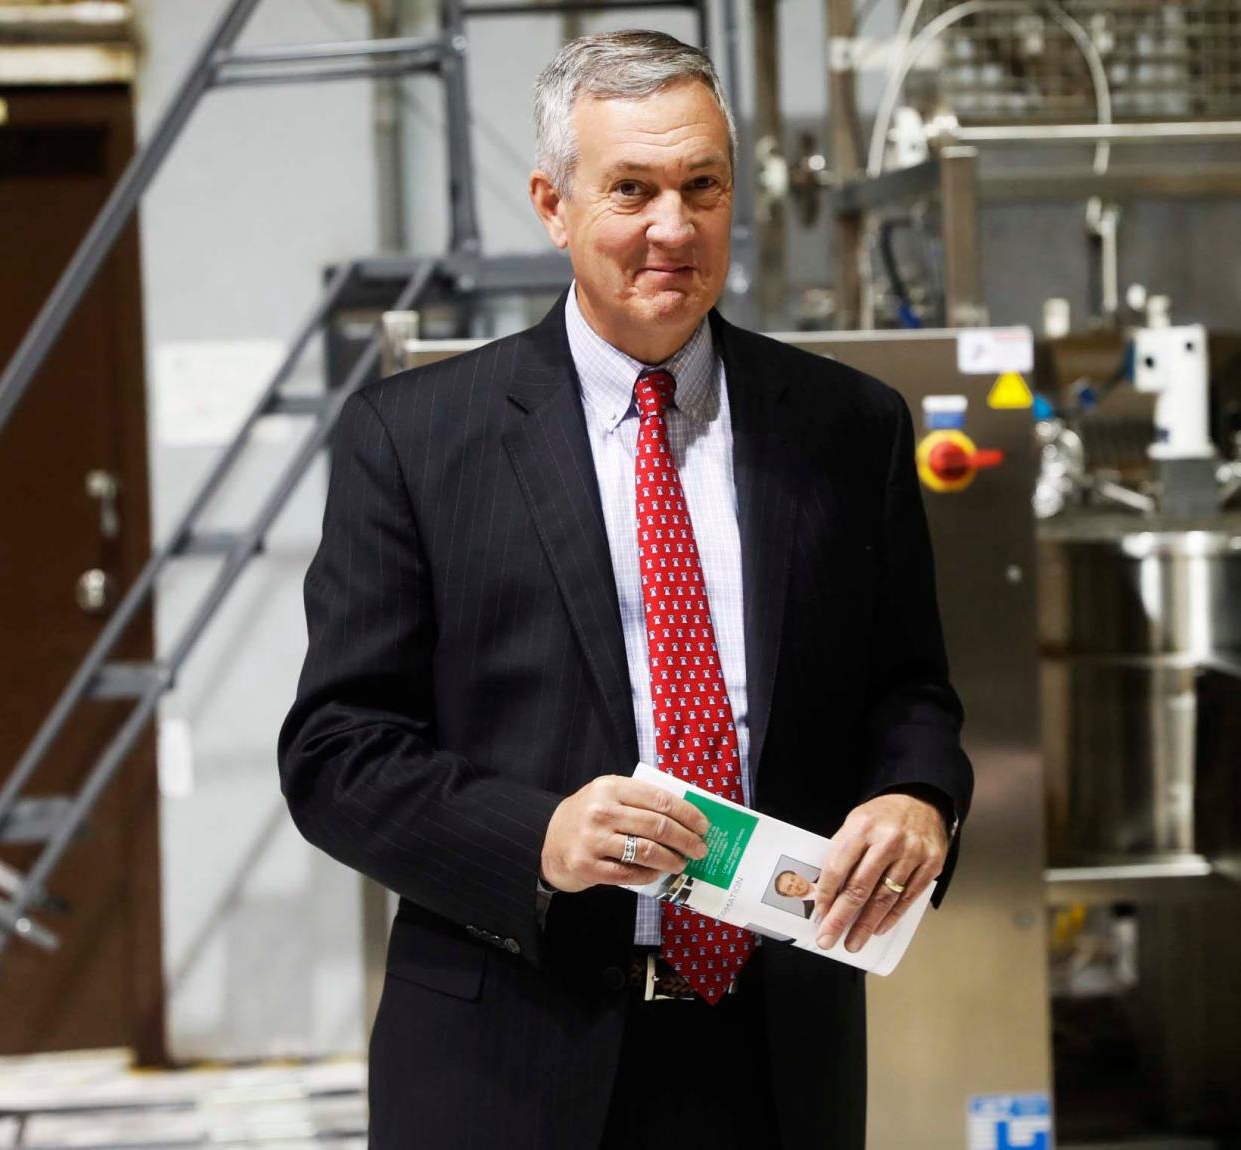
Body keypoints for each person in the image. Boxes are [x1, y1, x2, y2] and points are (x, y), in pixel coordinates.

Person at [277, 28, 973, 1150]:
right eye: (632, 189)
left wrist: (918, 795)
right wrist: (539, 834)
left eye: (702, 187)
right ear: (554, 204)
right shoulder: (417, 441)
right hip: (508, 1049)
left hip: (772, 1051)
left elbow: (910, 690)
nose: (672, 228)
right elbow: (337, 753)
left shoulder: (849, 428)